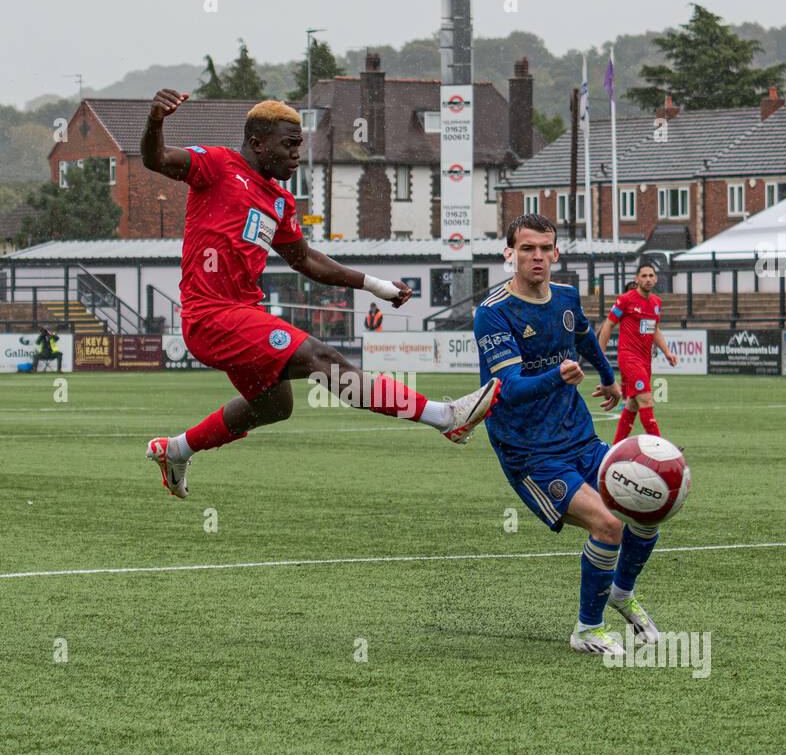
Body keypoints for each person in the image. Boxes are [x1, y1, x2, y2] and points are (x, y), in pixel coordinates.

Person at [140, 90, 499, 499]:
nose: (296, 155)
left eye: (300, 146)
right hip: (210, 317)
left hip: (242, 314)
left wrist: (376, 286)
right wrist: (155, 120)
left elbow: (306, 260)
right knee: (321, 360)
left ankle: (176, 449)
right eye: (289, 145)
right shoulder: (218, 165)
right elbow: (157, 159)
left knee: (276, 407)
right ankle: (445, 417)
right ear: (258, 143)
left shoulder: (279, 201)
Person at [475, 213, 663, 658]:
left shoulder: (565, 296)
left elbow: (582, 337)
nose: (536, 256)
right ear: (510, 254)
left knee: (649, 503)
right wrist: (559, 378)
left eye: (544, 248)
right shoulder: (492, 313)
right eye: (526, 249)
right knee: (608, 522)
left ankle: (621, 591)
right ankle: (587, 629)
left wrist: (607, 374)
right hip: (530, 453)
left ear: (556, 254)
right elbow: (511, 390)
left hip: (579, 437)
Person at [598, 262, 678, 442]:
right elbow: (609, 324)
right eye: (644, 276)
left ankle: (615, 448)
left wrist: (666, 352)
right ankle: (661, 447)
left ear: (656, 279)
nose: (648, 279)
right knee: (647, 400)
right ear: (637, 279)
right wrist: (600, 356)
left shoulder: (656, 303)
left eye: (651, 276)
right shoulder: (626, 300)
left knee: (632, 404)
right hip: (629, 358)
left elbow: (655, 329)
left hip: (645, 360)